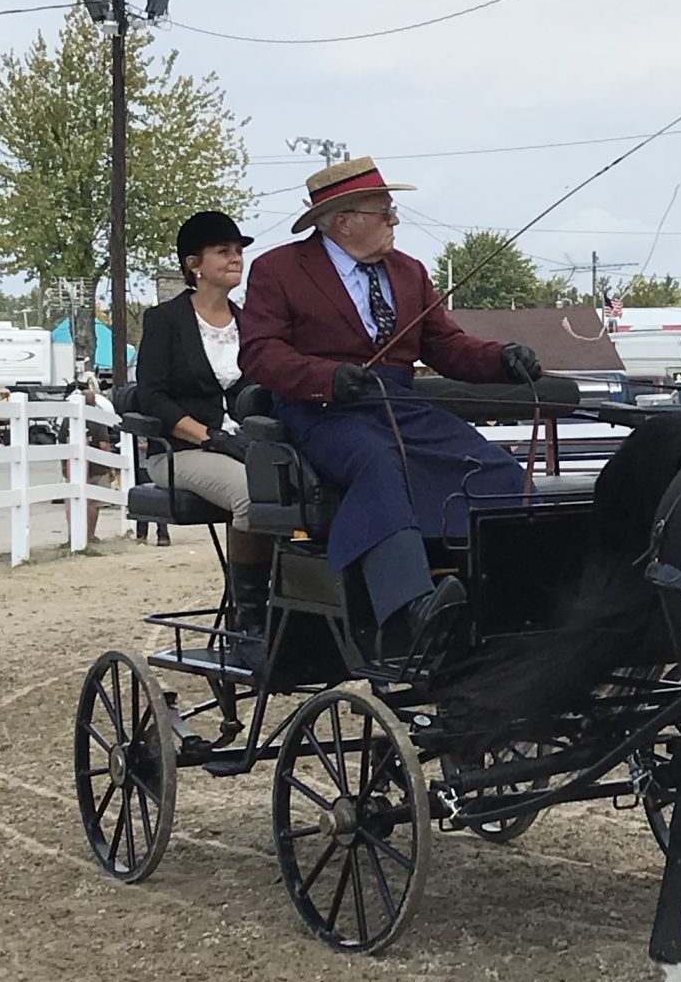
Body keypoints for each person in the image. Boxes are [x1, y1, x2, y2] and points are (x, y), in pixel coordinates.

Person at [238, 157, 541, 658]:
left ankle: (511, 599)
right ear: (344, 220)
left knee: (492, 465)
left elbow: (446, 346)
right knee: (378, 459)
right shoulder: (279, 270)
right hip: (320, 411)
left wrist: (502, 359)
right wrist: (328, 378)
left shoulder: (410, 273)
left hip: (400, 404)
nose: (395, 220)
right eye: (386, 211)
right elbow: (260, 352)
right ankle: (409, 611)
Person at [136, 210, 278, 658]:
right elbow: (152, 397)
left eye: (238, 251)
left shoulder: (250, 321)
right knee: (252, 493)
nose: (236, 259)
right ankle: (248, 615)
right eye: (224, 252)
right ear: (194, 264)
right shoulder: (164, 321)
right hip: (180, 451)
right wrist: (208, 437)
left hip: (247, 442)